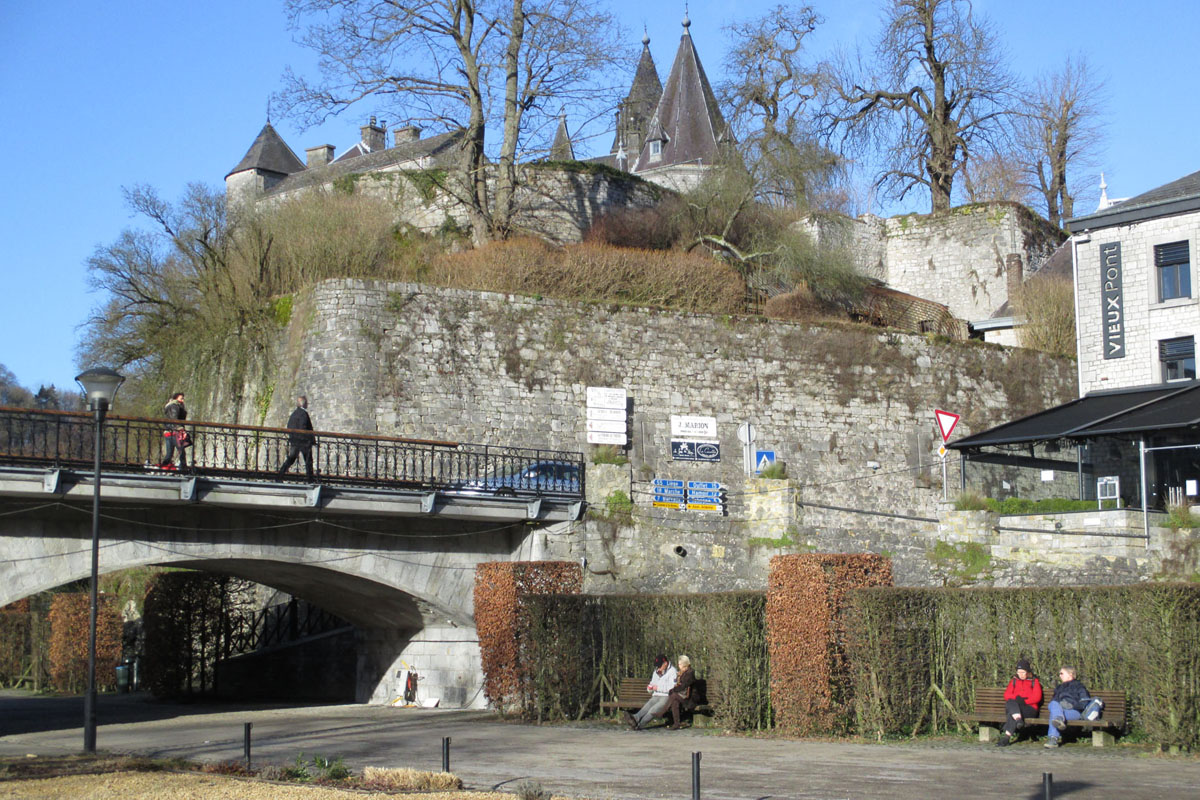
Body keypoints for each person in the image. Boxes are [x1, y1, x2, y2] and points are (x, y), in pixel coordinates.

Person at [1044, 666, 1104, 748]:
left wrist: (1071, 706)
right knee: (1053, 704)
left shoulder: (1079, 686)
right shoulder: (1059, 688)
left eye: (1062, 673)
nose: (1060, 675)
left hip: (1074, 712)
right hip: (1061, 711)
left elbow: (1084, 702)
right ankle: (1059, 719)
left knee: (1054, 715)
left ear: (1070, 675)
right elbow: (1054, 703)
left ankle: (1053, 739)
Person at [996, 657, 1042, 746]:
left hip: (1029, 708)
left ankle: (1006, 738)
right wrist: (1016, 698)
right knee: (1010, 702)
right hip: (1016, 706)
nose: (1020, 674)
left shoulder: (1034, 681)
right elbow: (1007, 695)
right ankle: (1018, 720)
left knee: (1011, 712)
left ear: (1028, 672)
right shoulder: (1014, 680)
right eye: (1018, 672)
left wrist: (1024, 701)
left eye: (1023, 672)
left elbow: (1037, 697)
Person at [625, 654, 677, 730]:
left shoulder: (673, 671)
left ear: (665, 663)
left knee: (653, 710)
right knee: (648, 705)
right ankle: (636, 718)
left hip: (667, 696)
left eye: (660, 666)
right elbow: (652, 683)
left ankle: (639, 725)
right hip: (656, 695)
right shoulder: (656, 671)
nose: (658, 668)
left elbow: (673, 688)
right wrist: (650, 688)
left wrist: (658, 688)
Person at [278, 396, 316, 480]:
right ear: (304, 403)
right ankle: (310, 479)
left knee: (291, 459)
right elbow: (304, 427)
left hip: (295, 441)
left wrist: (293, 437)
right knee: (308, 460)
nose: (307, 404)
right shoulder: (303, 414)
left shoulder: (294, 414)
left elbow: (289, 426)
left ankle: (280, 475)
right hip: (303, 441)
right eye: (306, 403)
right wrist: (309, 440)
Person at [662, 655, 698, 731]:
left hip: (690, 699)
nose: (678, 666)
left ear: (684, 664)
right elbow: (680, 684)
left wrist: (673, 690)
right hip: (683, 696)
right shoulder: (683, 672)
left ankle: (663, 710)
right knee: (674, 701)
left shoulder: (690, 673)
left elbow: (683, 686)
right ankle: (676, 724)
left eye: (679, 664)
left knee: (674, 695)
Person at [158, 392, 188, 470]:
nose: (183, 400)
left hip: (168, 432)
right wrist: (181, 429)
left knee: (169, 453)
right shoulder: (175, 406)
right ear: (176, 398)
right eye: (181, 398)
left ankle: (164, 467)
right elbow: (175, 419)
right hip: (175, 431)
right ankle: (183, 468)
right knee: (181, 451)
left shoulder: (170, 406)